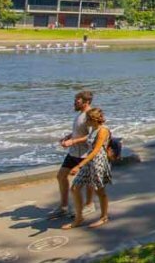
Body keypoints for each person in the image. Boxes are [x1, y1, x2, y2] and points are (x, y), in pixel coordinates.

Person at [62, 107, 112, 229]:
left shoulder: (103, 130)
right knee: (75, 188)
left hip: (97, 162)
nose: (85, 122)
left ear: (93, 119)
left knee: (99, 191)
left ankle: (104, 217)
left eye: (87, 119)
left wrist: (79, 166)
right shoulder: (93, 129)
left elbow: (96, 151)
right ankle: (79, 218)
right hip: (89, 161)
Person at [50, 91, 95, 219]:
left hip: (85, 154)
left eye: (78, 100)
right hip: (73, 152)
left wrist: (73, 141)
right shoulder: (80, 115)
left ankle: (89, 204)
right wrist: (69, 136)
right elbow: (79, 131)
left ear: (86, 102)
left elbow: (91, 135)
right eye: (75, 99)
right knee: (61, 176)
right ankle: (63, 207)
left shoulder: (90, 115)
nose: (75, 102)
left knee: (88, 181)